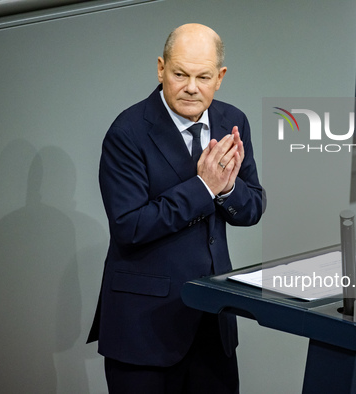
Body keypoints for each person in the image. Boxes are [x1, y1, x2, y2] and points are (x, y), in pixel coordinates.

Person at [87, 23, 265, 394]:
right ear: (160, 69)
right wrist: (203, 188)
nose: (191, 87)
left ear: (220, 77)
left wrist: (228, 187)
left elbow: (252, 208)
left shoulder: (233, 123)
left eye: (203, 77)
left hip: (212, 323)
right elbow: (129, 225)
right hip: (144, 329)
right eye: (180, 74)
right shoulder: (128, 131)